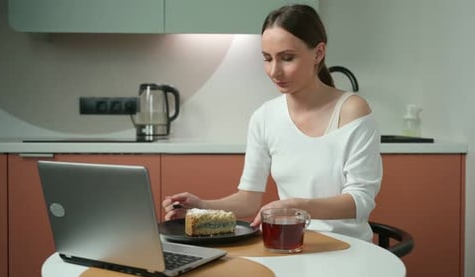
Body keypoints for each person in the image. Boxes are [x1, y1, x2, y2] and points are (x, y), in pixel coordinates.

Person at [162, 4, 382, 241]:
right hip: (289, 243)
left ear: (318, 53)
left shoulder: (352, 110)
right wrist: (201, 206)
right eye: (267, 59)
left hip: (349, 248)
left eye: (287, 58)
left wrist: (296, 206)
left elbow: (360, 201)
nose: (274, 71)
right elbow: (248, 200)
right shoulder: (265, 117)